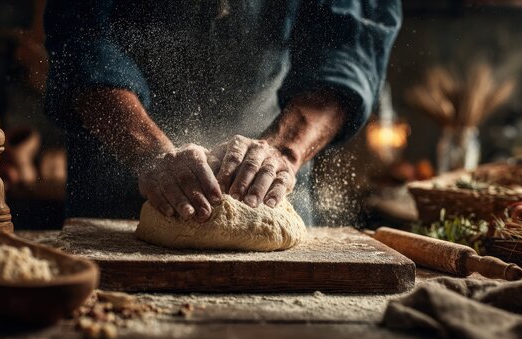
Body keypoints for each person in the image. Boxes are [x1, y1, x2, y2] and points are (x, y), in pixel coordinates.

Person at [44, 1, 402, 224]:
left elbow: (348, 47)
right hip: (114, 187)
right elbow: (80, 37)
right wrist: (150, 155)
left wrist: (284, 151)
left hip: (270, 184)